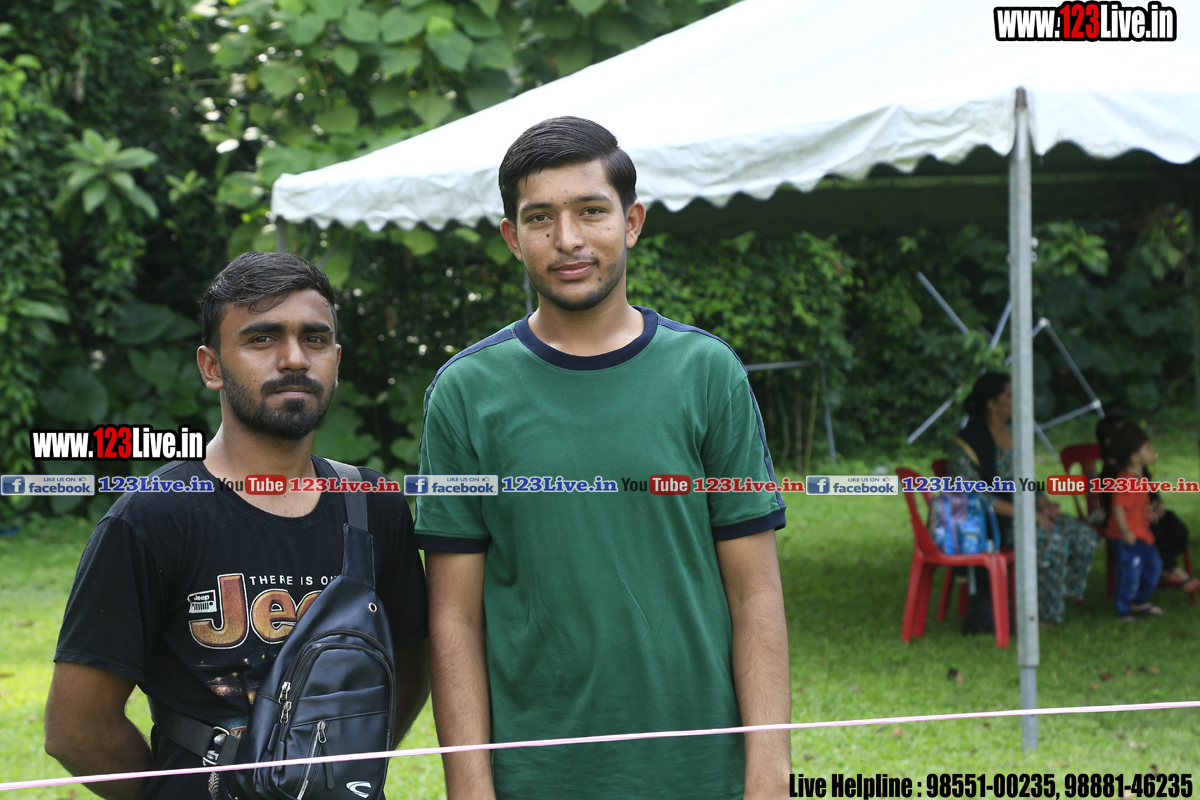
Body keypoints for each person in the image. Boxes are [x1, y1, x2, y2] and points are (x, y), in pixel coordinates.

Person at [416, 117, 791, 800]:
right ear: (512, 237)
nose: (568, 239)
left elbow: (755, 592)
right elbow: (454, 619)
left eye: (591, 211)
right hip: (535, 779)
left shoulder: (707, 373)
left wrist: (770, 773)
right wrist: (470, 787)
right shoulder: (466, 393)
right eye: (540, 218)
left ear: (632, 222)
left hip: (700, 774)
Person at [44, 253, 430, 800]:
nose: (294, 359)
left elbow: (407, 675)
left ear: (336, 360)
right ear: (212, 367)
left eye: (315, 339)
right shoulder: (155, 517)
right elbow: (77, 730)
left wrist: (332, 773)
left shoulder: (372, 507)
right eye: (262, 339)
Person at [947, 372, 1097, 626]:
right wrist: (1025, 514)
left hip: (1025, 513)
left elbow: (1025, 479)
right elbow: (973, 495)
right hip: (991, 524)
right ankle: (1041, 616)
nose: (1018, 399)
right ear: (992, 404)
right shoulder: (967, 443)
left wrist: (1042, 503)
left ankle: (1057, 598)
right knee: (1051, 540)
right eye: (1010, 395)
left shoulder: (1015, 432)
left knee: (1084, 536)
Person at [1095, 416, 1198, 594]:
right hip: (1125, 522)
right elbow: (1118, 507)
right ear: (1110, 441)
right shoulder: (1112, 474)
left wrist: (1157, 505)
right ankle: (1172, 568)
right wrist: (1145, 511)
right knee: (1153, 525)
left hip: (1144, 514)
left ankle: (1162, 568)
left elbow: (1150, 493)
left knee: (1174, 525)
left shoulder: (1138, 468)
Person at [1103, 421, 1165, 620]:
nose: (1152, 451)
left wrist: (1148, 512)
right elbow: (1118, 506)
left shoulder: (1140, 478)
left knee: (1153, 568)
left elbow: (1135, 505)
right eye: (1148, 448)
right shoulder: (1125, 480)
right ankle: (1124, 609)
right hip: (1126, 537)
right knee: (1129, 573)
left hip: (1142, 534)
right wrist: (1125, 531)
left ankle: (1139, 601)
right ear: (1135, 457)